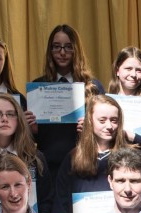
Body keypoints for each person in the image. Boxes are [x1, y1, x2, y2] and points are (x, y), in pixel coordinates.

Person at [52, 95, 138, 213]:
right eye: (102, 120)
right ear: (90, 121)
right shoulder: (73, 158)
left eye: (114, 120)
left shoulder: (131, 157)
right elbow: (61, 206)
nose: (109, 126)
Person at [31, 24, 105, 177]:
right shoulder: (38, 87)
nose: (62, 53)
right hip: (48, 166)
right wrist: (32, 130)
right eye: (56, 47)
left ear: (76, 50)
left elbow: (107, 128)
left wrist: (91, 127)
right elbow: (33, 138)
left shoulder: (93, 87)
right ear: (50, 51)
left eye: (68, 47)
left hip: (84, 164)